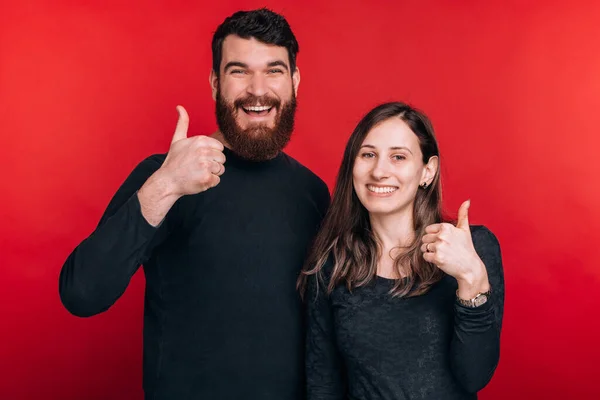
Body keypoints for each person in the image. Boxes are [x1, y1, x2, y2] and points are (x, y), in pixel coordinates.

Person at [59, 8, 330, 400]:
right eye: (239, 71)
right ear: (216, 83)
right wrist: (166, 186)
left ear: (294, 81)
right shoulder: (166, 175)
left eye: (274, 70)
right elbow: (82, 293)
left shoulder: (313, 192)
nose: (258, 89)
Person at [299, 102, 504, 399]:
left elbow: (474, 377)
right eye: (368, 154)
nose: (379, 171)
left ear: (427, 171)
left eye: (398, 157)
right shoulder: (332, 263)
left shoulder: (474, 247)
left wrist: (472, 278)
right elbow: (323, 383)